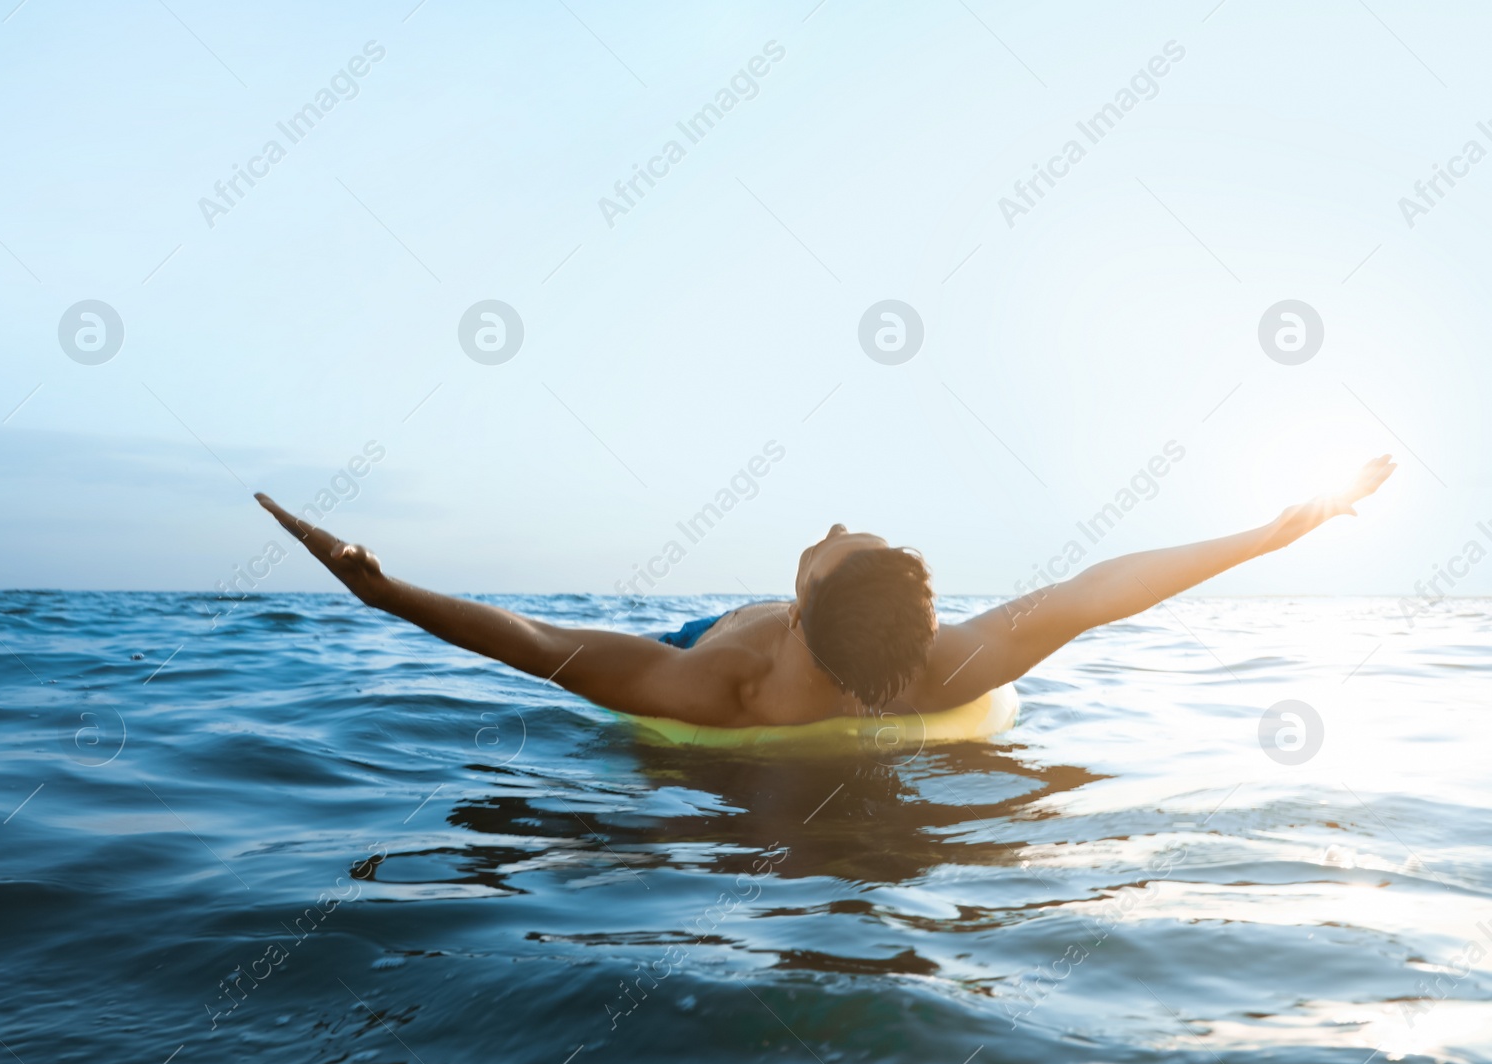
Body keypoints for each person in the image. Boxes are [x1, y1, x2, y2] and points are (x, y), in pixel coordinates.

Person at [254, 456, 1394, 728]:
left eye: (833, 542)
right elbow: (1094, 594)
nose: (840, 523)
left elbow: (538, 641)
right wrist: (1270, 532)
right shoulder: (945, 664)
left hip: (725, 671)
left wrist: (386, 592)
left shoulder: (717, 680)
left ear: (796, 605)